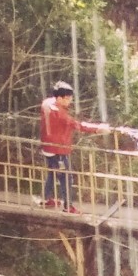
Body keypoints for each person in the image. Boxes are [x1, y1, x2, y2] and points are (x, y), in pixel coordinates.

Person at [39, 81, 78, 209]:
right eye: (67, 99)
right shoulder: (59, 113)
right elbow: (77, 125)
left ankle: (46, 199)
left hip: (47, 147)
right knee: (66, 178)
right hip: (58, 151)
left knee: (52, 173)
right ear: (59, 98)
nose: (70, 101)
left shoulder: (47, 103)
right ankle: (68, 206)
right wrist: (98, 128)